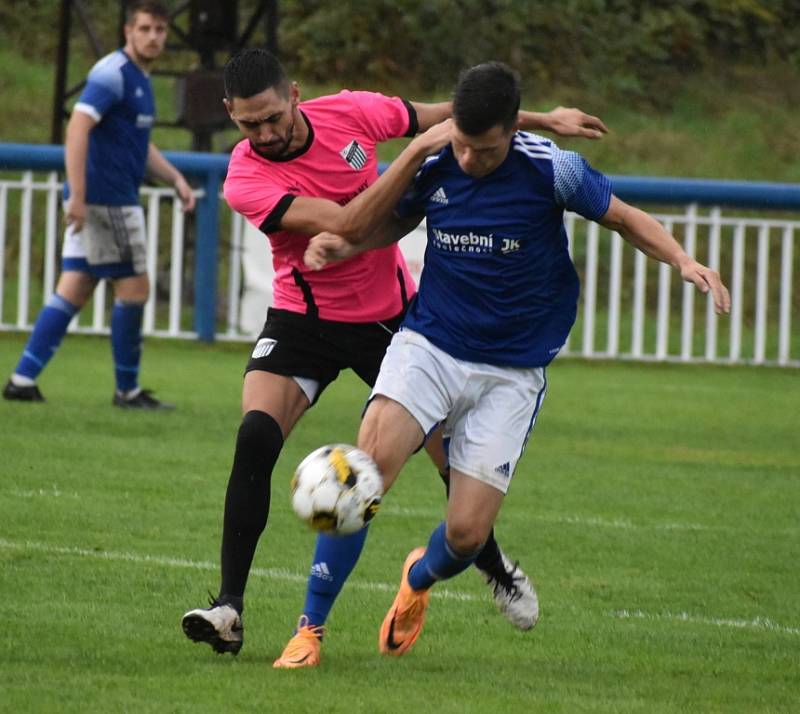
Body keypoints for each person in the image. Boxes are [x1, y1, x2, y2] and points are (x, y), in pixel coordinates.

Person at [179, 47, 610, 667]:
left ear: (294, 93)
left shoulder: (353, 112)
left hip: (389, 319)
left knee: (455, 470)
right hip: (302, 319)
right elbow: (350, 223)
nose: (264, 133)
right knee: (254, 436)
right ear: (229, 115)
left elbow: (448, 114)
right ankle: (229, 609)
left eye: (272, 117)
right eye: (249, 124)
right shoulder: (245, 175)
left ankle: (492, 565)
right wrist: (411, 156)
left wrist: (540, 119)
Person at [304, 61, 732, 657]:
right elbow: (393, 223)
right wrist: (348, 242)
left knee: (465, 534)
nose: (470, 159)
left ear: (510, 131)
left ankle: (417, 579)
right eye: (461, 144)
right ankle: (309, 630)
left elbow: (624, 218)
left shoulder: (552, 167)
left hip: (513, 368)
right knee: (365, 468)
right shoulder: (437, 160)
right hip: (430, 344)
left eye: (482, 150)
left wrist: (682, 260)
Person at [2, 0, 195, 409]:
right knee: (136, 290)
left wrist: (176, 178)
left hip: (101, 201)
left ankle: (21, 380)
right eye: (145, 28)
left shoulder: (139, 80)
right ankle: (127, 391)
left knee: (73, 287)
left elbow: (139, 147)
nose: (154, 37)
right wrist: (78, 194)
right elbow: (77, 127)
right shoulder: (113, 74)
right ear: (128, 31)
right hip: (106, 202)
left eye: (160, 30)